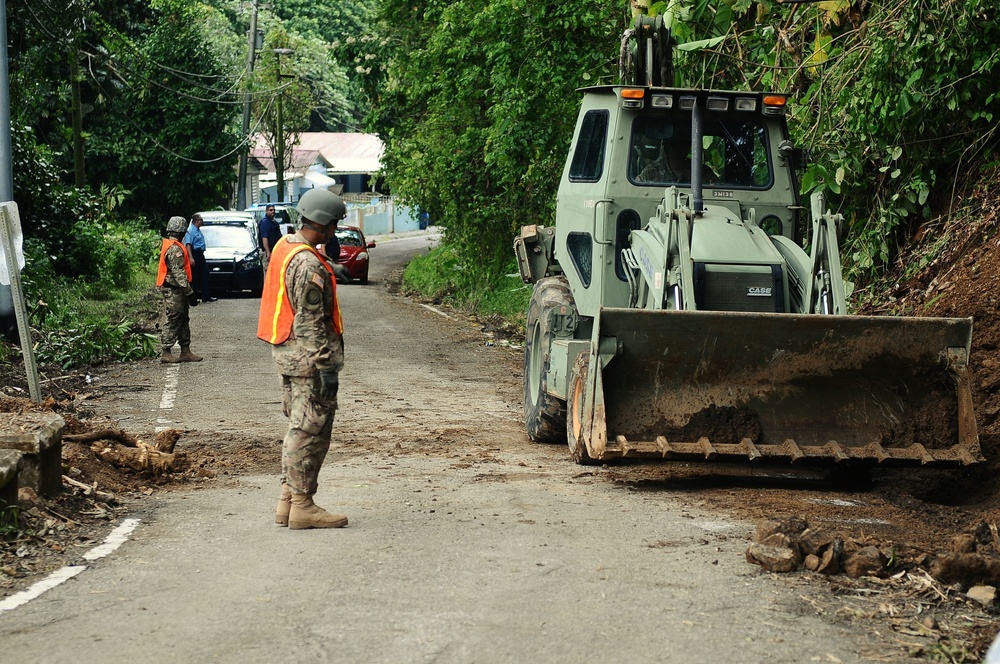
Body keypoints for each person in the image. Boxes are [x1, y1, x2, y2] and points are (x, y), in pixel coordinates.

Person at [256, 188, 348, 530]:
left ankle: (287, 501)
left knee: (298, 426)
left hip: (288, 354)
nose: (335, 231)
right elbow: (309, 322)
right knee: (309, 431)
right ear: (322, 223)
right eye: (334, 224)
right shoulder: (309, 264)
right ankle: (302, 506)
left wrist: (330, 268)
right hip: (309, 360)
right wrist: (326, 366)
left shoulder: (286, 246)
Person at [157, 216, 203, 363]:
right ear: (182, 231)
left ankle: (185, 350)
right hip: (174, 290)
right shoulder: (174, 248)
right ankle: (166, 351)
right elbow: (178, 273)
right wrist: (190, 292)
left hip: (178, 290)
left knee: (183, 319)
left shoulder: (172, 245)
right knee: (174, 318)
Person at [183, 213, 217, 303]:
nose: (202, 221)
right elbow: (188, 245)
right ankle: (193, 298)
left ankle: (206, 296)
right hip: (194, 254)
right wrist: (191, 258)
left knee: (205, 274)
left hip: (200, 254)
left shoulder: (198, 230)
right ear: (197, 221)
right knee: (194, 277)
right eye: (201, 220)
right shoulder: (191, 231)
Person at [258, 204, 283, 269]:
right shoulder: (265, 222)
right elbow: (264, 238)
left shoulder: (273, 222)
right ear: (266, 211)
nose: (273, 211)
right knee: (267, 270)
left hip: (274, 251)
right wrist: (268, 252)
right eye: (270, 210)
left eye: (274, 210)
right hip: (267, 252)